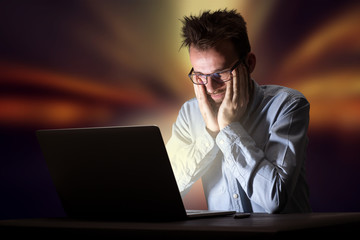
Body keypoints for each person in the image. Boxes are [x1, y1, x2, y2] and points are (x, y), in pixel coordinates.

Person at [166, 9, 311, 213]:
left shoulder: (288, 105)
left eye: (219, 73)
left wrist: (228, 128)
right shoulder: (189, 114)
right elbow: (166, 190)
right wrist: (211, 133)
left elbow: (274, 199)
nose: (209, 87)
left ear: (249, 64)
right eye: (200, 75)